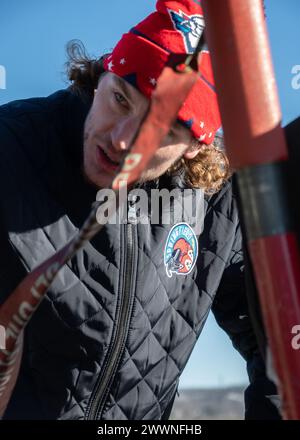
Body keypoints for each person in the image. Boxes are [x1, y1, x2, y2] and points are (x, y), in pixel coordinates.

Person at [0, 0, 280, 420]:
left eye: (161, 131)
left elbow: (275, 337)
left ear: (194, 147)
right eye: (121, 99)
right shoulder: (12, 149)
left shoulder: (218, 204)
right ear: (101, 76)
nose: (123, 140)